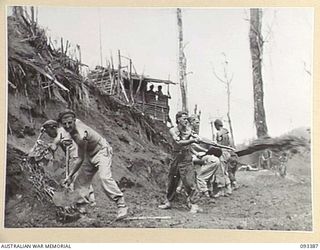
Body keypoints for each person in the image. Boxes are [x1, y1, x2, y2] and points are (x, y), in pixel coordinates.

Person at [58, 109, 128, 220]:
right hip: (88, 154)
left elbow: (80, 159)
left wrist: (70, 175)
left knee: (105, 177)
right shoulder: (69, 128)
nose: (67, 125)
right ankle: (81, 209)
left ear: (74, 121)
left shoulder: (81, 134)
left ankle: (121, 205)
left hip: (102, 151)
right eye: (64, 123)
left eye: (69, 123)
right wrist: (71, 176)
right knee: (80, 182)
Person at [40, 120, 96, 206]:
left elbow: (54, 146)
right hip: (81, 155)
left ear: (53, 127)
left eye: (48, 132)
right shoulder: (66, 131)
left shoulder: (61, 132)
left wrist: (47, 147)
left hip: (76, 157)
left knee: (74, 178)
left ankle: (81, 202)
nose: (49, 134)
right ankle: (91, 200)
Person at [158, 111, 202, 213]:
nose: (186, 121)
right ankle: (168, 201)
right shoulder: (173, 130)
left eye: (187, 119)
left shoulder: (189, 130)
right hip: (175, 156)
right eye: (184, 119)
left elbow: (192, 142)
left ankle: (194, 204)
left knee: (189, 181)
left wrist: (196, 138)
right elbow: (179, 142)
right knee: (172, 181)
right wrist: (192, 140)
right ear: (178, 120)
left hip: (186, 157)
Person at [214, 119, 238, 191]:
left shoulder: (219, 133)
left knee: (222, 171)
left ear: (216, 126)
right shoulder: (227, 133)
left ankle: (224, 188)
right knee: (227, 171)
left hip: (223, 152)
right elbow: (231, 144)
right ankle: (230, 187)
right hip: (230, 153)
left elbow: (219, 145)